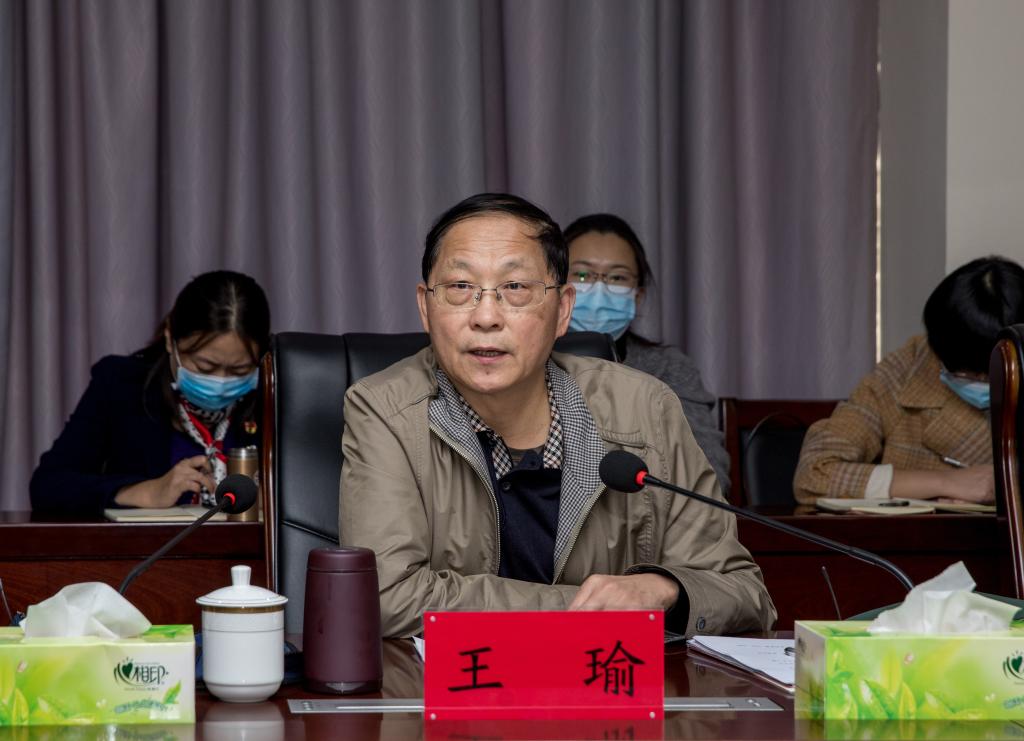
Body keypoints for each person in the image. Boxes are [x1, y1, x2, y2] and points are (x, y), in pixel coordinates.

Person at [339, 193, 775, 639]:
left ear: (563, 309)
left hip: (612, 680)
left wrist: (667, 591)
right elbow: (385, 596)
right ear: (425, 306)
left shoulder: (645, 408)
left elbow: (742, 593)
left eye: (515, 288)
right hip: (457, 681)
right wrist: (592, 607)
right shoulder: (385, 410)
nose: (486, 316)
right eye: (460, 287)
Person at [30, 270, 271, 513]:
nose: (221, 382)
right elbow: (48, 486)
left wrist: (276, 498)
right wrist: (145, 492)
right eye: (205, 367)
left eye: (240, 370)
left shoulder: (274, 394)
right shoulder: (122, 385)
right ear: (170, 338)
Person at [794, 256, 1024, 505]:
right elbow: (815, 474)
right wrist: (947, 482)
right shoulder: (909, 369)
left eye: (991, 374)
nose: (979, 382)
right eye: (965, 373)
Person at [563, 213, 731, 495]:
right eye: (582, 274)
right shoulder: (521, 364)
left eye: (617, 277)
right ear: (556, 285)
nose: (599, 289)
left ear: (638, 295)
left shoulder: (669, 369)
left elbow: (708, 476)